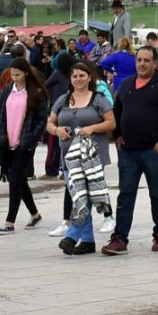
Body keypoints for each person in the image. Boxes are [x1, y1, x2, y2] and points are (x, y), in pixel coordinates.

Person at [101, 46, 158, 256]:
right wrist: (118, 134)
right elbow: (117, 112)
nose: (142, 64)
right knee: (125, 195)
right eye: (139, 60)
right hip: (128, 151)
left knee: (157, 194)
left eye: (147, 60)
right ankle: (120, 239)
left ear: (155, 64)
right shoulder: (127, 84)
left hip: (154, 151)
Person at [47, 61, 116, 254]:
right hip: (69, 158)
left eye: (82, 75)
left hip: (92, 157)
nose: (78, 79)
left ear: (89, 77)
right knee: (77, 194)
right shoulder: (63, 100)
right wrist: (57, 130)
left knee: (84, 196)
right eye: (75, 76)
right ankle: (87, 240)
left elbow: (111, 123)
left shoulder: (99, 99)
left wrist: (92, 128)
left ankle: (72, 234)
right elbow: (50, 123)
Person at [0, 58, 49, 235]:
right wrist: (0, 132)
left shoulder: (36, 93)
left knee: (16, 180)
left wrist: (32, 138)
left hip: (25, 143)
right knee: (18, 180)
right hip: (8, 141)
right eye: (12, 74)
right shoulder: (8, 89)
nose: (14, 78)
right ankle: (35, 214)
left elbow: (42, 120)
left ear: (26, 73)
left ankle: (10, 222)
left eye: (17, 74)